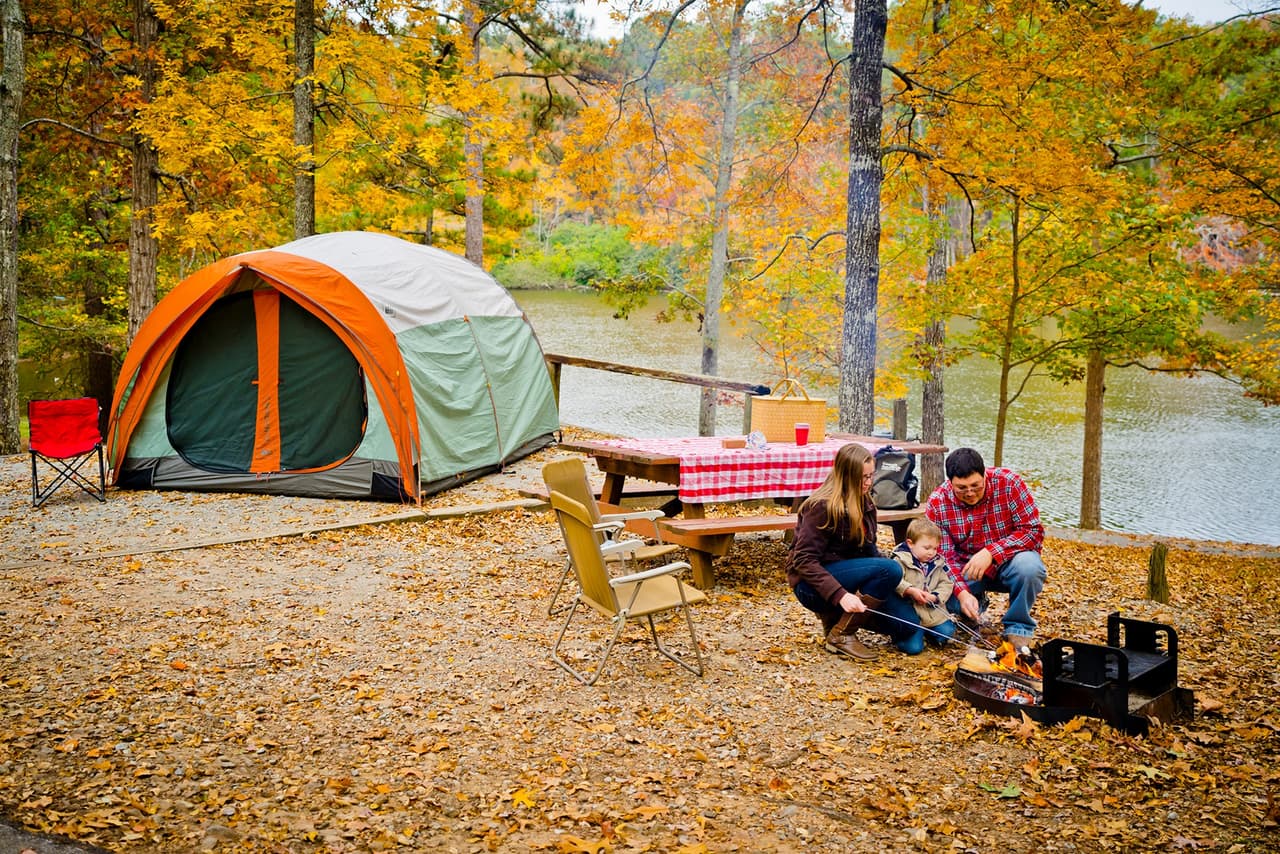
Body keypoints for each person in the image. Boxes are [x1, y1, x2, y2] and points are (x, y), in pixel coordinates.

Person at [786, 443, 921, 661]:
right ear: (845, 476)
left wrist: (905, 588)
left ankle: (838, 619)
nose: (868, 483)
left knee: (909, 629)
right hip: (811, 587)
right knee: (890, 569)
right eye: (863, 478)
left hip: (851, 579)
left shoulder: (865, 500)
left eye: (871, 476)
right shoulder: (821, 506)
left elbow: (871, 552)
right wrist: (840, 595)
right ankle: (842, 634)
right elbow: (804, 560)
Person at [924, 447, 1047, 646]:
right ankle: (974, 603)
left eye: (976, 485)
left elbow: (1032, 531)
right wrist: (962, 593)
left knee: (1030, 568)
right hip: (966, 568)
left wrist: (991, 552)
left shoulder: (1009, 483)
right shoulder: (938, 503)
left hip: (1009, 563)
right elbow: (944, 558)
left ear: (984, 475)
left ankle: (1018, 627)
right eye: (962, 488)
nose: (970, 493)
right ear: (950, 482)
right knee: (941, 596)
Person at [889, 518, 956, 655]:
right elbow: (895, 581)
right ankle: (904, 636)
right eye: (927, 548)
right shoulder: (900, 560)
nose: (931, 552)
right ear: (910, 544)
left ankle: (929, 634)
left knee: (947, 633)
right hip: (911, 611)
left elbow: (946, 583)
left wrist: (936, 597)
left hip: (931, 612)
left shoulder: (937, 562)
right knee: (914, 648)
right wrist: (909, 590)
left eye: (935, 548)